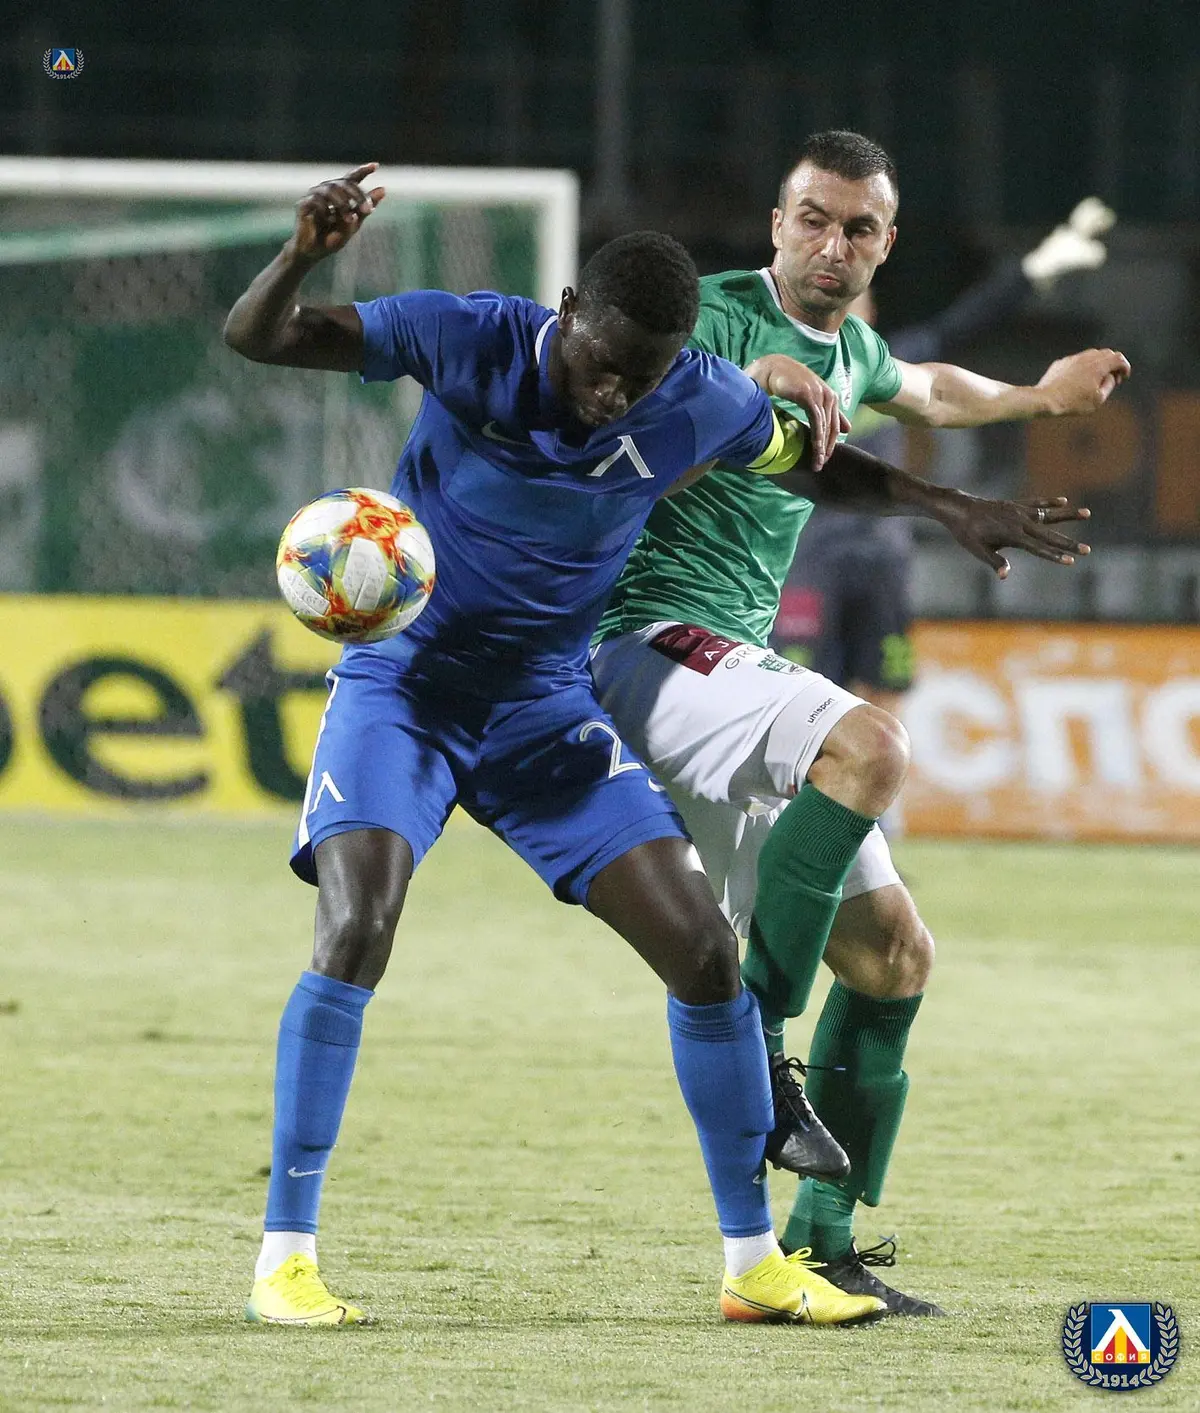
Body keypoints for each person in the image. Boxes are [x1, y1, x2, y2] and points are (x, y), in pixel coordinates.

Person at [223, 161, 905, 1328]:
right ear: (569, 312)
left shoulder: (692, 396)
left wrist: (800, 402)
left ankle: (752, 1266)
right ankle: (284, 1261)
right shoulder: (468, 337)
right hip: (406, 691)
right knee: (357, 926)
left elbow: (805, 457)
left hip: (544, 708)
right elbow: (261, 339)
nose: (616, 395)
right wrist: (300, 257)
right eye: (604, 365)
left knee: (703, 951)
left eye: (645, 378)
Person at [590, 130, 1128, 1316]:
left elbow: (928, 388)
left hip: (733, 662)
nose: (832, 245)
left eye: (859, 229)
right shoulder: (710, 313)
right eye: (814, 220)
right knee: (872, 744)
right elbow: (654, 397)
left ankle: (819, 1245)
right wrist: (758, 380)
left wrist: (1040, 396)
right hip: (643, 640)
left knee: (894, 959)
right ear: (777, 225)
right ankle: (757, 1048)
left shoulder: (858, 346)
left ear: (887, 245)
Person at [775, 196, 1116, 715]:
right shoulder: (782, 373)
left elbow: (965, 323)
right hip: (808, 558)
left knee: (884, 696)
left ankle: (871, 773)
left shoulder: (889, 367)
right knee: (795, 694)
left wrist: (1037, 268)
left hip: (883, 560)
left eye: (856, 301)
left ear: (870, 314)